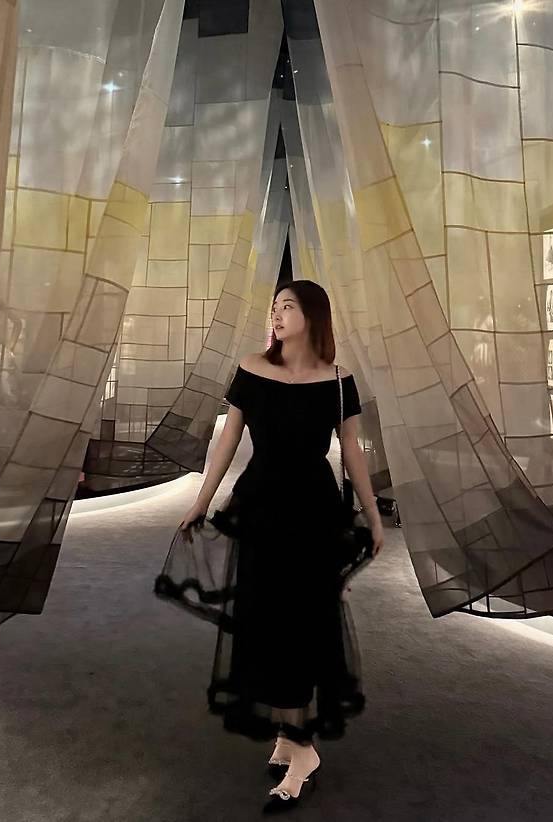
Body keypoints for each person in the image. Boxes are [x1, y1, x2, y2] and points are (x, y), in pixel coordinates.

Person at [176, 280, 384, 812]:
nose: (277, 314)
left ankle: (302, 748)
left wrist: (373, 513)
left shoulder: (338, 380)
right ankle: (291, 738)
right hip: (261, 509)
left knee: (301, 626)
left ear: (313, 315)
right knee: (265, 621)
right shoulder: (251, 368)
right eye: (274, 307)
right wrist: (202, 500)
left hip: (313, 514)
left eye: (288, 306)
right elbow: (228, 438)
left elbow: (352, 450)